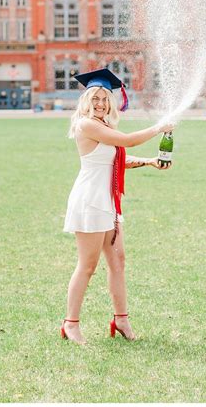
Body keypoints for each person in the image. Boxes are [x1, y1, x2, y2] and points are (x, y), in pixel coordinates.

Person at [61, 67, 175, 344]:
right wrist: (159, 128)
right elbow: (126, 141)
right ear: (86, 101)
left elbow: (115, 157)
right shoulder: (86, 125)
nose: (100, 103)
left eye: (104, 99)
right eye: (95, 98)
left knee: (118, 262)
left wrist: (148, 161)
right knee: (87, 266)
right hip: (89, 202)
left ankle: (121, 319)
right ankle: (70, 324)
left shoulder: (105, 127)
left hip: (108, 201)